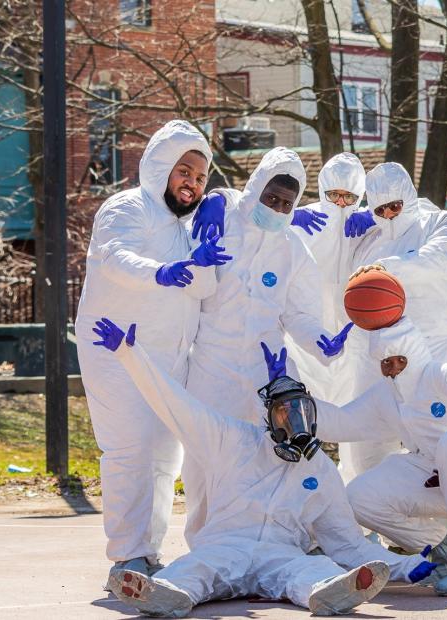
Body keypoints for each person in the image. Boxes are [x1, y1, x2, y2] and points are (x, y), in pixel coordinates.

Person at [91, 318, 438, 618]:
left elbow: (348, 544)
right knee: (193, 570)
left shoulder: (319, 469)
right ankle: (163, 595)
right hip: (225, 545)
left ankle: (332, 593)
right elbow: (175, 405)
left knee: (314, 569)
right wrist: (130, 354)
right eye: (284, 413)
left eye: (302, 411)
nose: (295, 421)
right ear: (268, 417)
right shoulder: (232, 439)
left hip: (281, 553)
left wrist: (409, 568)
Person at [74, 120, 231, 585]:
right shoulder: (128, 206)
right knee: (130, 449)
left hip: (168, 359)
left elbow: (204, 286)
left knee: (165, 458)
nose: (193, 183)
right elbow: (115, 256)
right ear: (161, 167)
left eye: (202, 178)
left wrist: (218, 217)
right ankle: (126, 558)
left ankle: (146, 554)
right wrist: (162, 272)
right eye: (185, 171)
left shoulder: (188, 228)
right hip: (116, 349)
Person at [182, 147, 352, 539]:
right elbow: (192, 213)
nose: (276, 208)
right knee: (205, 456)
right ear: (256, 186)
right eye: (270, 197)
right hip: (213, 362)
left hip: (267, 368)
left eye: (286, 204)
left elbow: (299, 313)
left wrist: (321, 340)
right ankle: (205, 542)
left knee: (281, 453)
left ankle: (285, 538)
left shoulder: (292, 247)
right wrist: (212, 199)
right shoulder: (222, 220)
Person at [304, 316, 447, 597]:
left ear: (412, 352)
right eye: (385, 363)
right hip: (441, 476)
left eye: (398, 360)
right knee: (360, 497)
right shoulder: (386, 396)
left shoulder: (437, 373)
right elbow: (341, 422)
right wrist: (295, 403)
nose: (392, 369)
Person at [338, 162, 447, 481]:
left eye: (394, 206)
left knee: (441, 438)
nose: (388, 215)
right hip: (378, 352)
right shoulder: (369, 240)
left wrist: (383, 269)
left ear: (409, 198)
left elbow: (440, 259)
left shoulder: (444, 224)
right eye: (379, 209)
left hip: (437, 349)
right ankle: (377, 517)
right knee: (367, 444)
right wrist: (337, 222)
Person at [284, 153, 367, 403]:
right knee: (306, 394)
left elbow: (416, 211)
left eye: (349, 196)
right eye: (334, 195)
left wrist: (373, 216)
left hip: (350, 322)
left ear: (359, 195)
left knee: (352, 396)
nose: (341, 203)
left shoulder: (365, 223)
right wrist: (288, 218)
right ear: (323, 191)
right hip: (307, 320)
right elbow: (256, 222)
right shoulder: (305, 220)